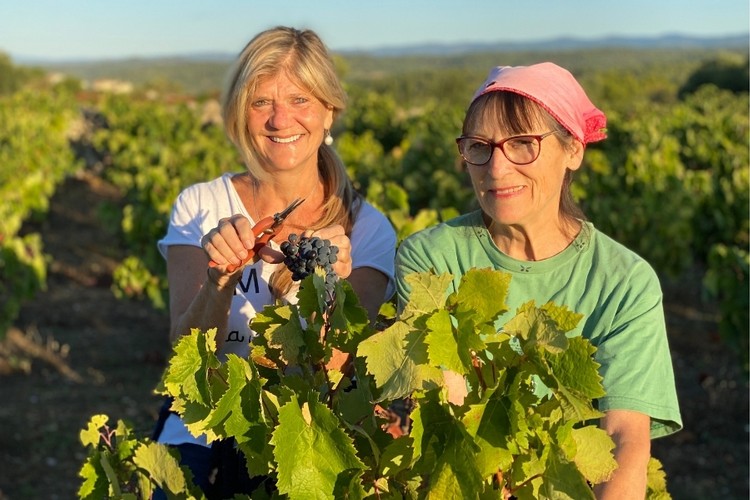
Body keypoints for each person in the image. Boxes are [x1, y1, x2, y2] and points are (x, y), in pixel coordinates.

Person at [395, 62, 682, 499]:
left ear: (573, 151)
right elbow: (450, 415)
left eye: (523, 144)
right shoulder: (431, 258)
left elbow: (625, 438)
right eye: (480, 146)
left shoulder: (626, 282)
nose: (497, 167)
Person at [151, 26, 396, 497]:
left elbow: (344, 375)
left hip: (304, 420)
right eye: (262, 102)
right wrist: (219, 282)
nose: (281, 120)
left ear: (329, 112)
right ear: (241, 114)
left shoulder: (367, 230)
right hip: (208, 411)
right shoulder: (200, 205)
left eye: (300, 100)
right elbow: (184, 358)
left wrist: (331, 294)